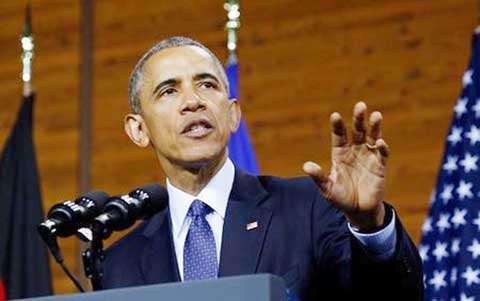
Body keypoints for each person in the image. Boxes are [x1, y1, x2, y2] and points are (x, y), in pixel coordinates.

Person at [100, 36, 423, 301]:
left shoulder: (308, 208)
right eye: (169, 91)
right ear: (138, 130)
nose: (193, 101)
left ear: (232, 115)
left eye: (207, 85)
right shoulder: (119, 264)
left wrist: (370, 225)